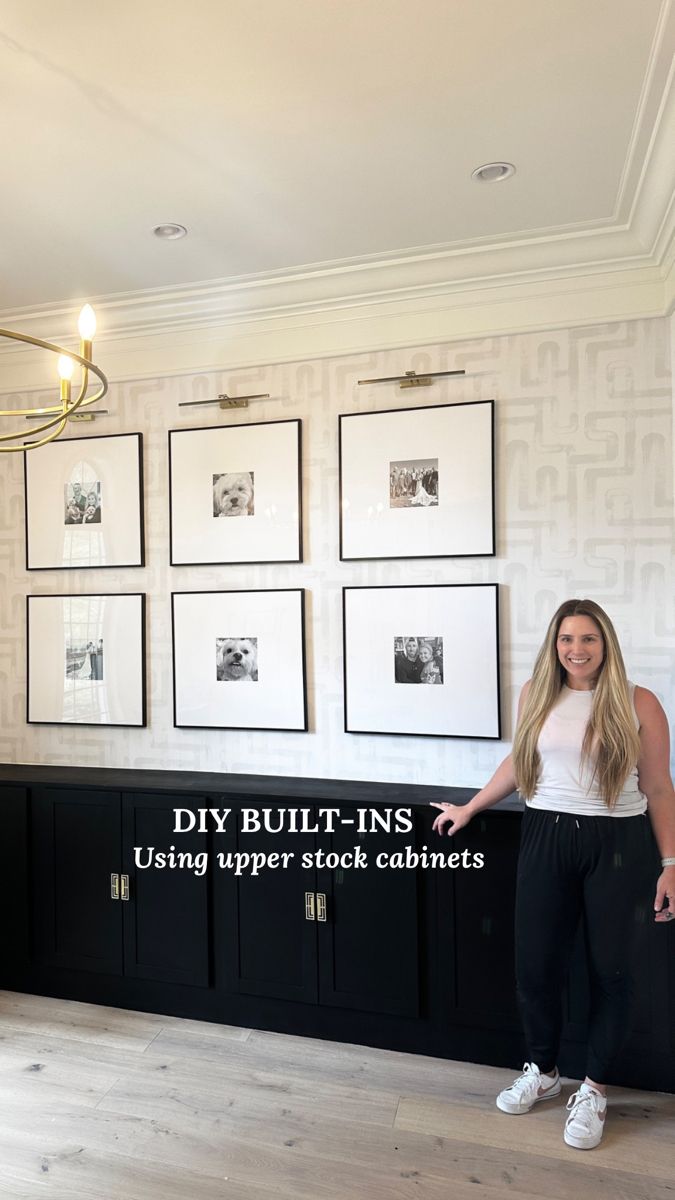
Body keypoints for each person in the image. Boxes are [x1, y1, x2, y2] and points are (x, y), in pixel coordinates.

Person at [432, 598, 675, 1150]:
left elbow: (659, 786)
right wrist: (470, 808)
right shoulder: (538, 694)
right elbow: (522, 764)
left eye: (588, 639)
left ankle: (593, 1090)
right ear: (555, 645)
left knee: (611, 972)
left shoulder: (640, 702)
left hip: (617, 843)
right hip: (545, 836)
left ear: (605, 643)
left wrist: (670, 864)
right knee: (536, 965)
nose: (577, 650)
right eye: (567, 639)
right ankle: (544, 1071)